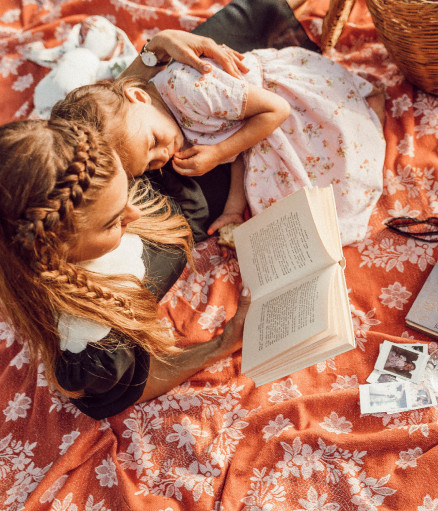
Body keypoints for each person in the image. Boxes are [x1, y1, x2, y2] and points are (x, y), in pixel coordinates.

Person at [0, 118, 251, 420]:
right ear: (56, 251)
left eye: (127, 187)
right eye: (112, 221)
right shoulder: (92, 344)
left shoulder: (72, 168)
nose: (134, 212)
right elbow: (134, 385)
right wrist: (222, 345)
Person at [51, 45, 386, 246]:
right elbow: (240, 148)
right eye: (151, 164)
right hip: (257, 128)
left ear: (139, 96)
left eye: (153, 144)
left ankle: (372, 110)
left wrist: (217, 153)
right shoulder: (161, 123)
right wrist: (230, 210)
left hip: (282, 102)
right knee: (291, 210)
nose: (163, 155)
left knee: (343, 156)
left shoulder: (189, 89)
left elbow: (276, 111)